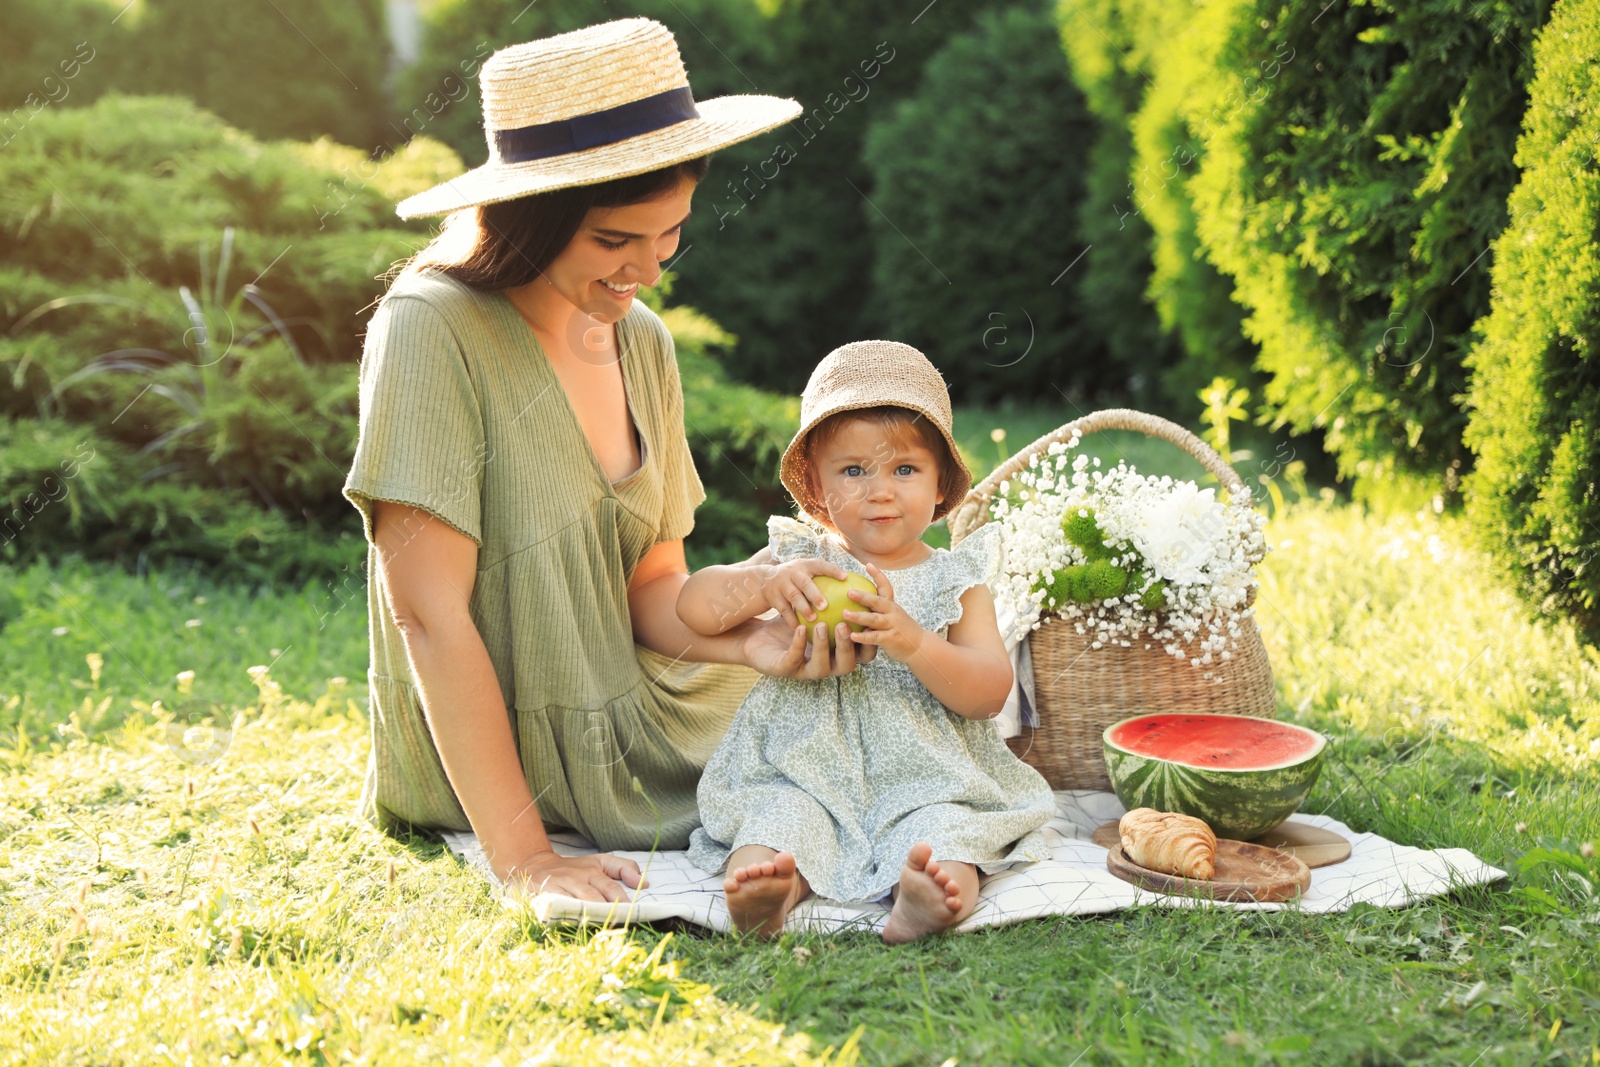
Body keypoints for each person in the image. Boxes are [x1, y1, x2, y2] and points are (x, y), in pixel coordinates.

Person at [343, 18, 870, 906]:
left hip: (633, 701)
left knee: (869, 696)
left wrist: (753, 631)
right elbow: (425, 614)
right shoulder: (429, 328)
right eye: (614, 240)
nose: (648, 271)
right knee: (828, 757)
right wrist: (524, 855)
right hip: (504, 753)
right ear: (528, 216)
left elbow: (652, 594)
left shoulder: (643, 344)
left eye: (668, 234)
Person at [678, 341, 1057, 942]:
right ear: (819, 490)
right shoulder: (801, 560)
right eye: (853, 471)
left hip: (928, 774)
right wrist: (764, 583)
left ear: (940, 487)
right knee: (782, 818)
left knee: (943, 830)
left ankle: (925, 896)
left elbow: (988, 693)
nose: (879, 490)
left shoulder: (955, 578)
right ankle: (766, 890)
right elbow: (695, 606)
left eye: (904, 469)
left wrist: (913, 642)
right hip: (803, 766)